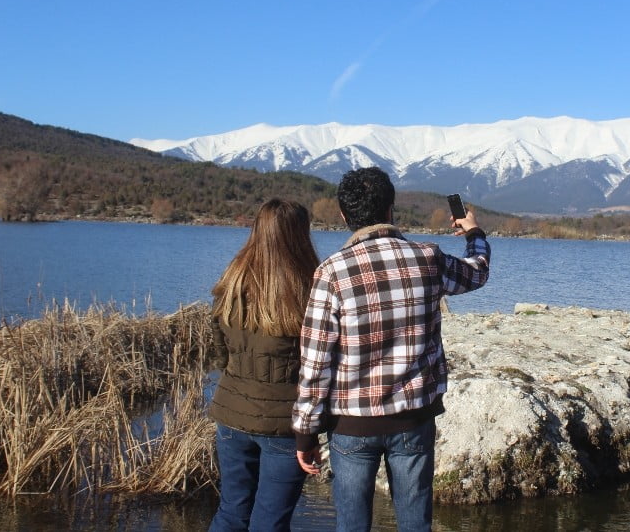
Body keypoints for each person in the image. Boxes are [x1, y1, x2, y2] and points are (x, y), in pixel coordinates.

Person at [292, 167, 491, 532]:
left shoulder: (331, 272)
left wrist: (305, 432)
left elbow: (315, 362)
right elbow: (477, 271)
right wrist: (473, 232)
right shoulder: (428, 258)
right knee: (415, 525)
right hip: (413, 419)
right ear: (391, 209)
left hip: (351, 425)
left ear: (343, 215)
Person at [208, 198, 320, 532]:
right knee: (269, 522)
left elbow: (220, 354)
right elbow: (317, 368)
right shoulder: (308, 289)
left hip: (230, 415)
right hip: (285, 426)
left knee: (231, 513)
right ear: (300, 235)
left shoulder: (232, 282)